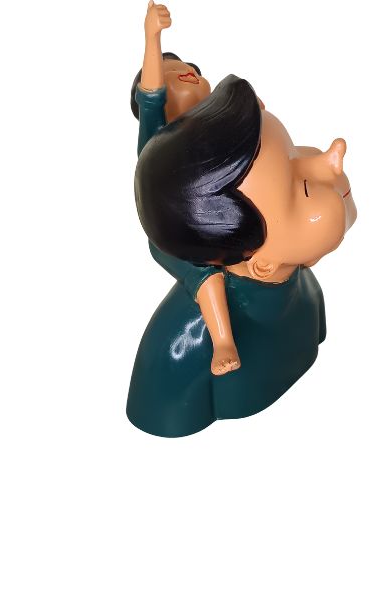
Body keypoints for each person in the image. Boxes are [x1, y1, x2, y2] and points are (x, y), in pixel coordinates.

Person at [127, 74, 357, 437]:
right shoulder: (177, 353)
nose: (330, 162)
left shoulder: (308, 294)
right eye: (302, 188)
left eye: (295, 152)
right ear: (263, 264)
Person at [132, 1, 242, 376]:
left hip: (228, 215)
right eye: (174, 73)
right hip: (175, 231)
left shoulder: (213, 130)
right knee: (204, 271)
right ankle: (223, 341)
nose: (189, 73)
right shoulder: (159, 137)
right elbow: (151, 95)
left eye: (193, 70)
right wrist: (152, 37)